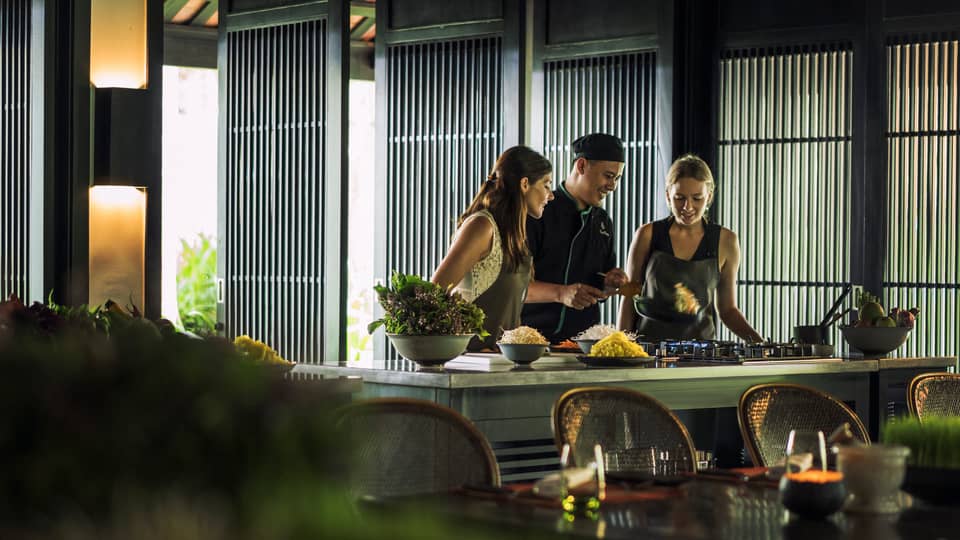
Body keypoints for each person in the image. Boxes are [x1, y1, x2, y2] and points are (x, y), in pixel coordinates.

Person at [617, 154, 763, 343]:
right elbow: (629, 296)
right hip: (649, 350)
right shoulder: (647, 234)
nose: (688, 207)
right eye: (679, 198)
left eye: (697, 198)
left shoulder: (726, 241)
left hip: (703, 353)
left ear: (709, 196)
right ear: (668, 195)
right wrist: (621, 347)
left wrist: (761, 345)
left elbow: (727, 310)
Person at [432, 146, 554, 350]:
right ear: (525, 184)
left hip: (502, 364)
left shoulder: (514, 234)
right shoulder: (482, 226)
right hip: (470, 365)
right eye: (546, 185)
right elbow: (433, 293)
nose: (550, 196)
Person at [521, 133, 629, 342]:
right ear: (581, 166)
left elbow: (600, 284)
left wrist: (608, 283)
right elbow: (513, 287)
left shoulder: (603, 222)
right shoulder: (538, 211)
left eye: (617, 178)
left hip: (583, 344)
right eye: (608, 176)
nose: (613, 186)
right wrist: (561, 293)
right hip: (530, 342)